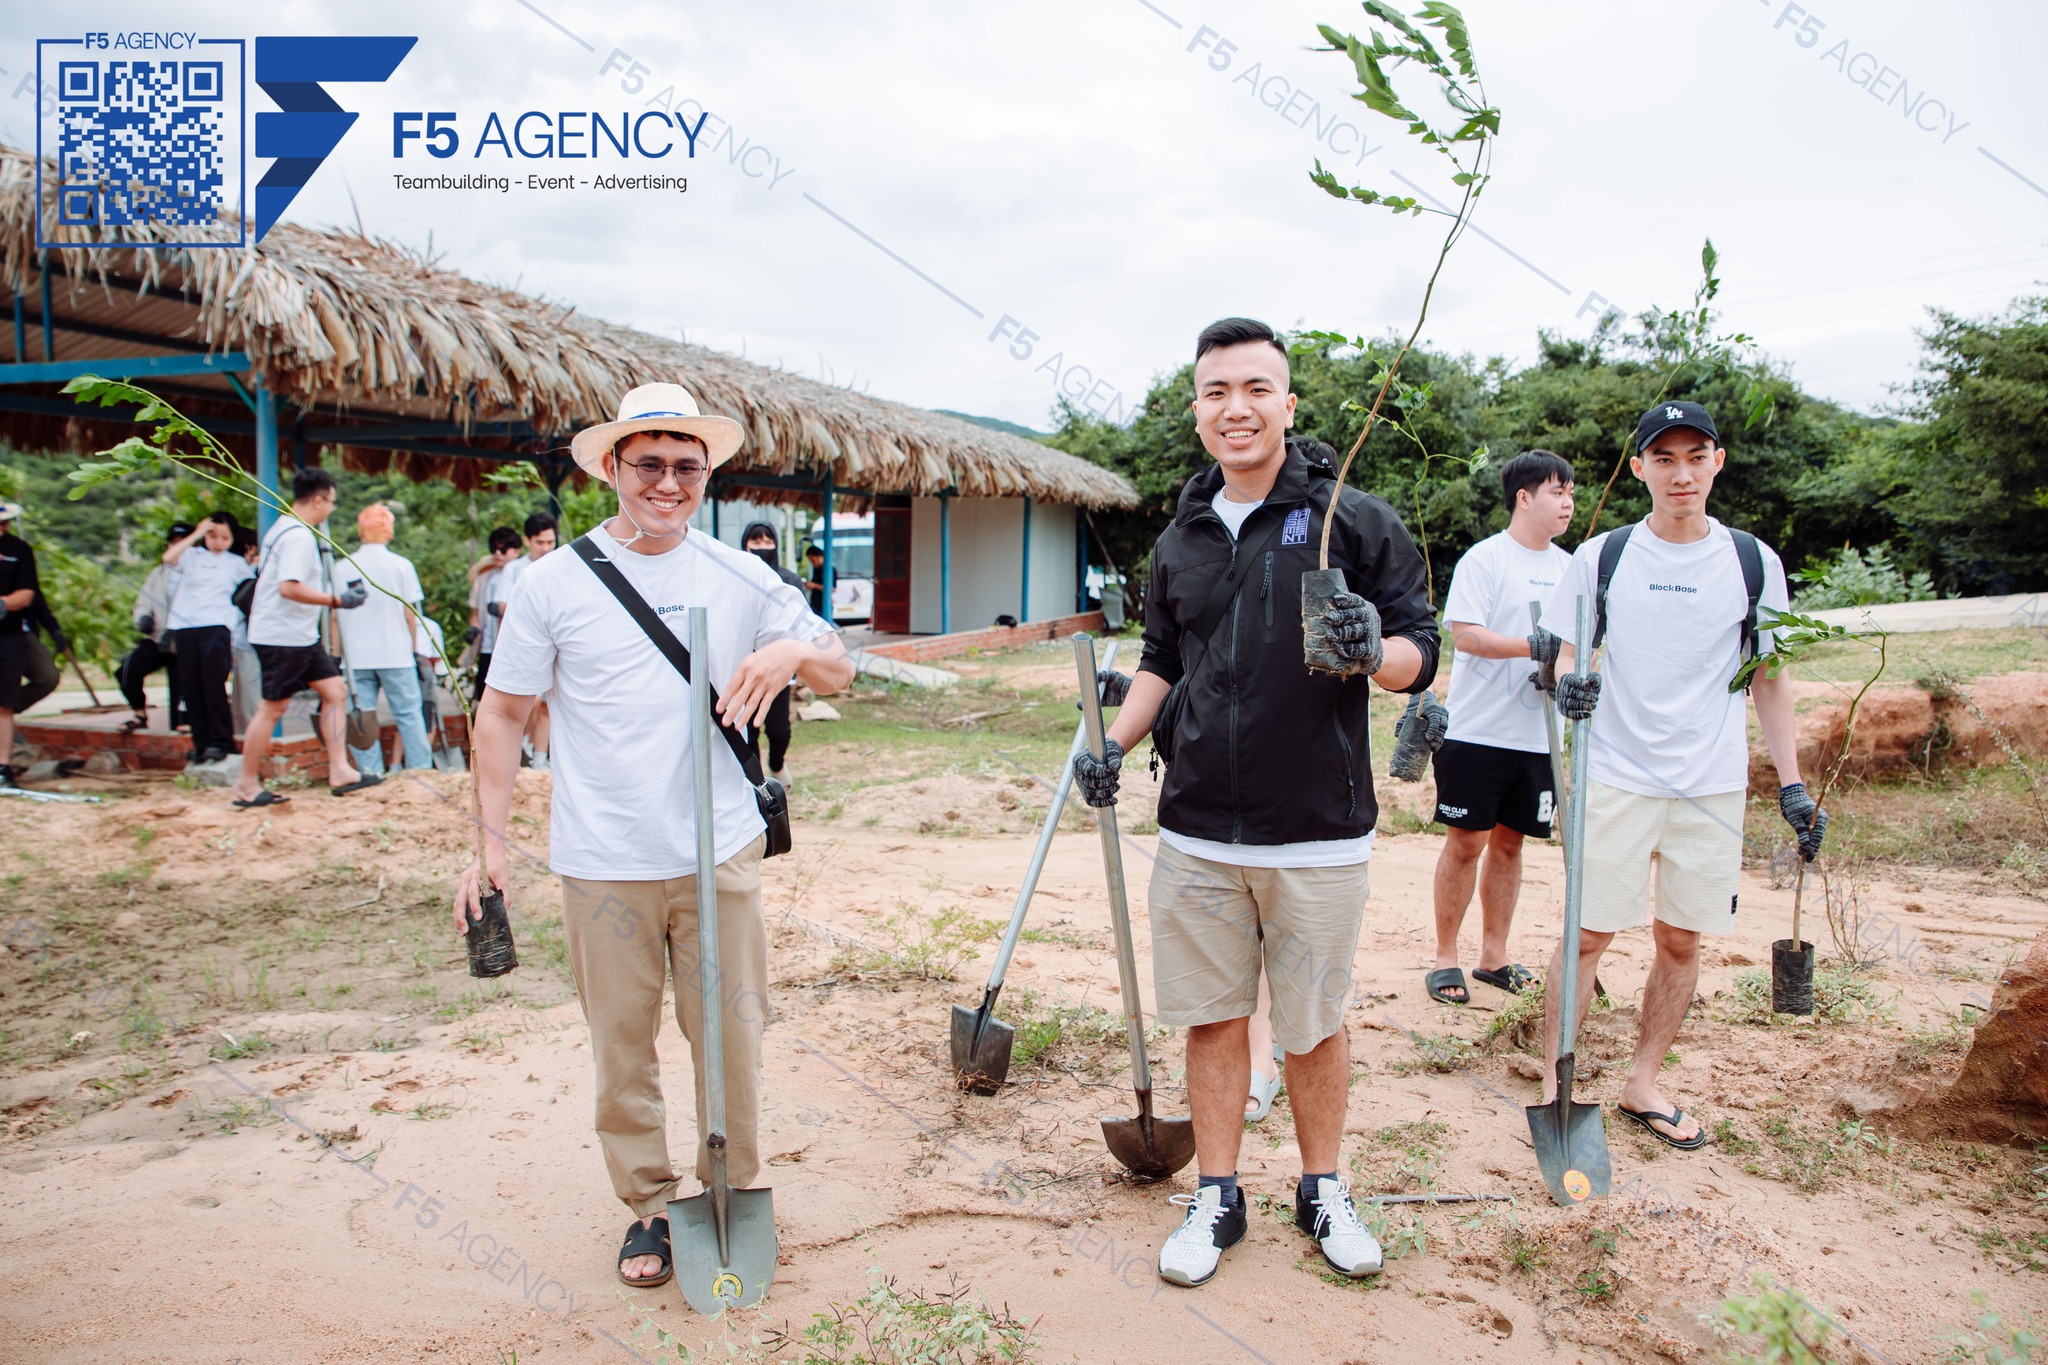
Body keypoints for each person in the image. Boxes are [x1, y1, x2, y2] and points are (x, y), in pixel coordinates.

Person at [452, 381, 853, 1289]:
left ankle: (727, 1191)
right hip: (603, 858)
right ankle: (648, 1205)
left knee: (730, 1037)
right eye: (649, 465)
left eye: (686, 466)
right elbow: (503, 714)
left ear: (706, 473)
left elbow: (840, 666)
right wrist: (489, 847)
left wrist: (790, 651)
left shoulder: (741, 575)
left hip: (717, 851)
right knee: (621, 1044)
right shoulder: (549, 583)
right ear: (609, 469)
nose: (668, 483)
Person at [1075, 319, 1440, 1288]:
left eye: (1253, 388)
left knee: (1311, 1022)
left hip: (1316, 828)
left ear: (1286, 404)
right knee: (1210, 1016)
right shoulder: (1180, 538)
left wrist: (1374, 647)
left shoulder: (1346, 522)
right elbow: (1160, 660)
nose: (1233, 408)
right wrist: (1108, 746)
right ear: (1195, 410)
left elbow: (1415, 654)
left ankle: (1322, 1188)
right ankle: (1216, 1195)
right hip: (1195, 825)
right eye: (1213, 392)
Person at [1540, 401, 1824, 1150]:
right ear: (1639, 468)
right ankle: (1554, 1090)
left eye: (1695, 455)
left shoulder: (1753, 561)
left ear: (1717, 463)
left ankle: (1642, 1084)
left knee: (1681, 938)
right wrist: (1572, 680)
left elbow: (1769, 677)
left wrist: (1791, 784)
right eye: (1663, 458)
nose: (1681, 472)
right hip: (1619, 775)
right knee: (1587, 932)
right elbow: (1570, 652)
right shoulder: (1601, 556)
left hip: (1711, 781)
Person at [1424, 450, 1576, 1006]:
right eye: (1558, 492)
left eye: (1572, 494)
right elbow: (1465, 636)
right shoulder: (1486, 560)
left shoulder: (1570, 569)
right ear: (1524, 497)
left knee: (1511, 846)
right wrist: (1530, 647)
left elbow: (1574, 647)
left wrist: (1567, 673)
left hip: (1538, 737)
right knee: (1467, 843)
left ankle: (1494, 956)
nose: (1567, 504)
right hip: (1477, 732)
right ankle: (1446, 958)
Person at [229, 469, 378, 807]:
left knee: (335, 691)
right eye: (332, 503)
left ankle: (340, 769)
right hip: (282, 635)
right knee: (273, 706)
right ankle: (246, 784)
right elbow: (289, 587)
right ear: (319, 499)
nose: (330, 510)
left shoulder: (282, 527)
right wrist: (338, 601)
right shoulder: (298, 536)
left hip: (301, 634)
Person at [338, 503, 433, 778]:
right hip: (396, 653)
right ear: (389, 531)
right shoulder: (402, 566)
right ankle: (421, 771)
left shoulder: (342, 566)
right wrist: (416, 650)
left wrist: (337, 654)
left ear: (360, 530)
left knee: (361, 716)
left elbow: (335, 617)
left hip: (355, 657)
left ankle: (370, 773)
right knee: (409, 714)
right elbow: (411, 615)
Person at [162, 513, 254, 764]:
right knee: (191, 688)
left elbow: (250, 592)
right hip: (185, 626)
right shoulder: (191, 555)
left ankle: (222, 742)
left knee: (213, 686)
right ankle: (200, 743)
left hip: (217, 626)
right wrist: (196, 534)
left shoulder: (235, 563)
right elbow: (168, 557)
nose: (218, 542)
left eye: (225, 537)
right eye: (213, 535)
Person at [741, 520, 805, 778]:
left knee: (780, 731)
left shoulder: (788, 580)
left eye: (768, 542)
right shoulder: (733, 578)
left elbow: (802, 621)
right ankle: (757, 783)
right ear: (744, 545)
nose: (762, 547)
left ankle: (777, 764)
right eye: (756, 542)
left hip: (779, 668)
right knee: (748, 730)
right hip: (743, 667)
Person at [495, 513, 558, 769]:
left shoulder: (562, 563)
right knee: (528, 700)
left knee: (547, 706)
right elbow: (502, 606)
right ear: (528, 540)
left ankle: (540, 759)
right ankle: (522, 744)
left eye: (550, 542)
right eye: (540, 542)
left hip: (556, 644)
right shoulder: (514, 569)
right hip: (525, 645)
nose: (546, 548)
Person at [119, 524, 190, 733]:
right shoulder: (158, 574)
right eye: (173, 542)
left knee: (181, 695)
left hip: (185, 643)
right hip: (157, 638)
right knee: (127, 669)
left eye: (182, 541)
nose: (177, 546)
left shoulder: (198, 572)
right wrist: (142, 618)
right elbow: (143, 602)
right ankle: (139, 714)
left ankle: (183, 734)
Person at [0, 500, 40, 786]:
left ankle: (3, 766)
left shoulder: (18, 550)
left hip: (8, 635)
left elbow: (26, 595)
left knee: (4, 703)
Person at [471, 527, 522, 702]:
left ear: (517, 551)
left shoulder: (525, 574)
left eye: (503, 549)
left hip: (516, 646)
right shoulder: (484, 579)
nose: (498, 554)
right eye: (494, 549)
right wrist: (473, 630)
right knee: (483, 697)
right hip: (489, 645)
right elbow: (476, 613)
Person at [804, 543, 827, 616]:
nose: (812, 563)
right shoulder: (816, 570)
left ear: (819, 557)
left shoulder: (829, 570)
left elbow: (832, 589)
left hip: (824, 606)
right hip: (814, 606)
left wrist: (814, 586)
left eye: (813, 561)